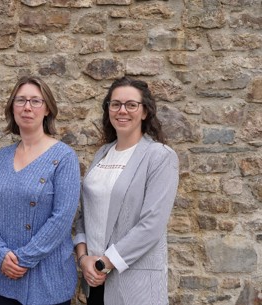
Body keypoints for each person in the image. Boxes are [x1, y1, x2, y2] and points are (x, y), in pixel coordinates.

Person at [74, 76, 179, 305]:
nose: (122, 110)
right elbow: (85, 214)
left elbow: (152, 225)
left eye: (131, 105)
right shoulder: (102, 154)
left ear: (144, 112)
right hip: (95, 281)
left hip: (133, 284)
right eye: (115, 104)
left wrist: (103, 263)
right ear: (108, 110)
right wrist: (84, 260)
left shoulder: (160, 156)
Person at [0, 76, 81, 305]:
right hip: (4, 278)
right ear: (12, 108)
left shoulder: (64, 157)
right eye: (21, 100)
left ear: (47, 109)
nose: (27, 107)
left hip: (49, 281)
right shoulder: (3, 157)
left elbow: (62, 219)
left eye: (35, 101)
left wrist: (23, 258)